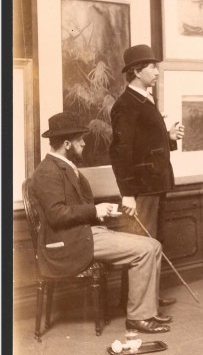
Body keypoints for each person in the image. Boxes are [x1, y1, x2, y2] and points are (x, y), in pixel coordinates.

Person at [31, 112, 171, 333]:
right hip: (68, 244)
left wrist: (103, 212)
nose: (84, 144)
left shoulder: (62, 166)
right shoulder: (47, 171)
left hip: (82, 234)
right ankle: (138, 317)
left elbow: (75, 209)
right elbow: (57, 215)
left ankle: (148, 310)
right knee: (145, 250)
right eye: (80, 140)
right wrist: (95, 210)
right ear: (67, 144)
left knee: (153, 245)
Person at [109, 44, 184, 307]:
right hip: (142, 188)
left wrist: (169, 137)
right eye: (153, 67)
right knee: (141, 244)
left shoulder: (144, 99)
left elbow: (145, 146)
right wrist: (128, 194)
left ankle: (148, 297)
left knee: (152, 242)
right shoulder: (126, 105)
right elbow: (120, 152)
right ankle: (139, 304)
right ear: (137, 71)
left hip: (155, 184)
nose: (157, 72)